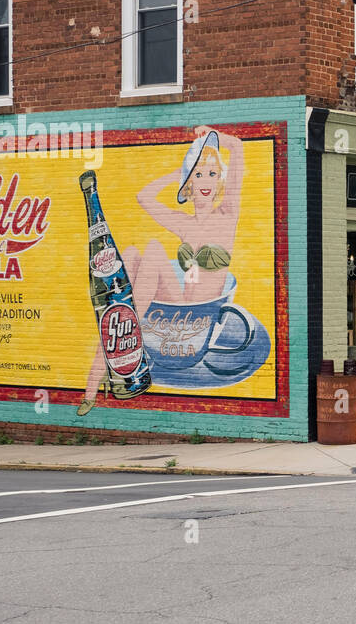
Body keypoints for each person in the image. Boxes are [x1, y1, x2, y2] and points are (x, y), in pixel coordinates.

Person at [78, 126, 245, 415]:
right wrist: (180, 173)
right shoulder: (184, 223)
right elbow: (144, 197)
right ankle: (102, 370)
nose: (205, 181)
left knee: (154, 249)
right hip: (178, 307)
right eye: (199, 174)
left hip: (196, 317)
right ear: (189, 185)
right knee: (127, 257)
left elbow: (239, 150)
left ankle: (125, 347)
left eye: (212, 174)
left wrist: (212, 135)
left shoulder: (227, 214)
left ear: (220, 181)